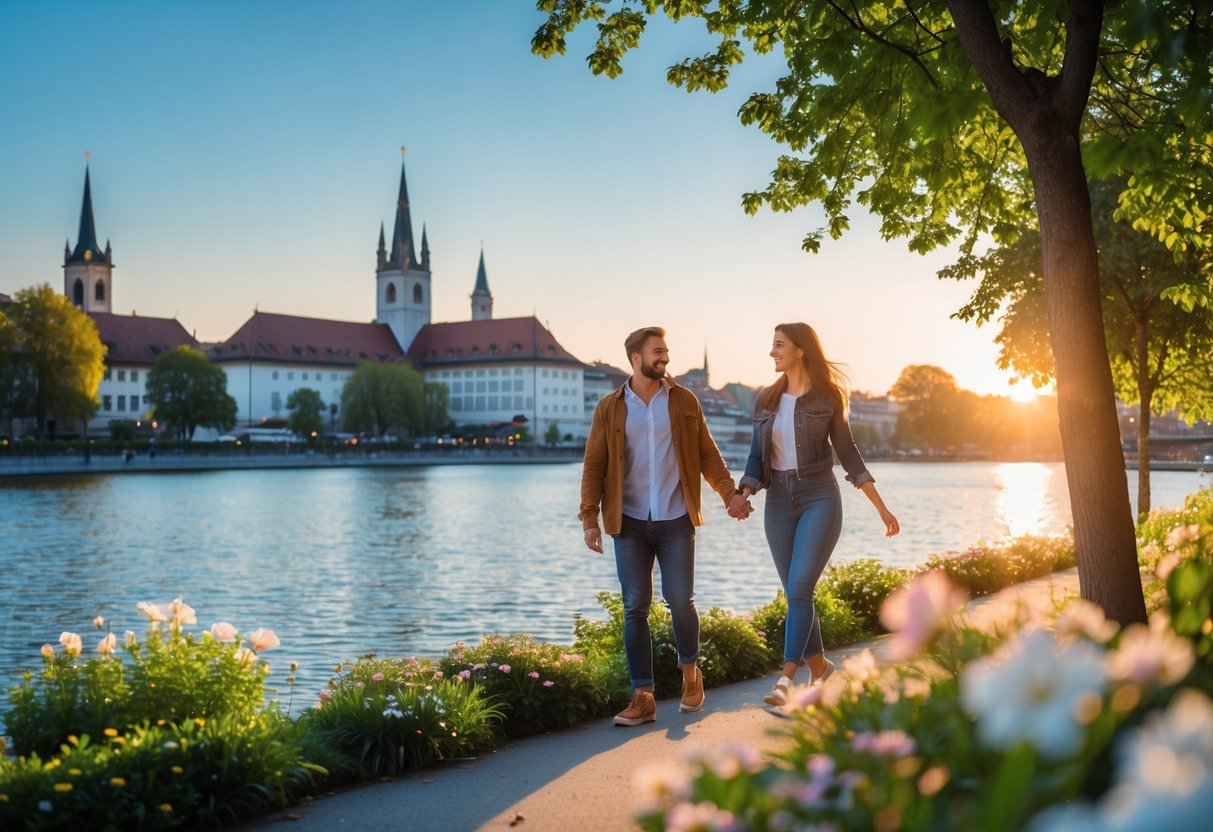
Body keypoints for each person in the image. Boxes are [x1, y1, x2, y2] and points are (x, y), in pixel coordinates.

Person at [580, 326, 750, 726]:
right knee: (634, 608)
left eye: (666, 351)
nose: (666, 358)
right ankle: (643, 696)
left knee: (680, 600)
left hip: (675, 518)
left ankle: (690, 673)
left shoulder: (684, 400)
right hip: (630, 522)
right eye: (658, 352)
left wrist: (729, 495)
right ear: (636, 358)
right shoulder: (610, 407)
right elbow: (594, 465)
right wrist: (590, 518)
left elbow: (707, 453)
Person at [731, 322, 899, 707]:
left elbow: (849, 454)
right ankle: (820, 668)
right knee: (796, 593)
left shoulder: (827, 397)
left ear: (800, 350)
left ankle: (785, 679)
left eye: (778, 345)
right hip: (777, 504)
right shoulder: (765, 401)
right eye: (772, 346)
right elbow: (756, 459)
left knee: (801, 586)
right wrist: (743, 494)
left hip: (819, 497)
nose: (772, 352)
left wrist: (880, 506)